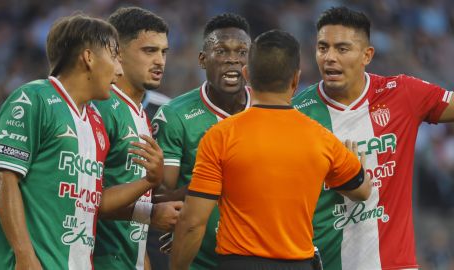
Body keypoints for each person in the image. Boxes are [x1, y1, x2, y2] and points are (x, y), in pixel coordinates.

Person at [170, 29, 372, 270]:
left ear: (246, 75)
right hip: (298, 264)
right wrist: (355, 164)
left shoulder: (220, 136)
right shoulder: (322, 139)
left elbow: (192, 223)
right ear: (296, 80)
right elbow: (361, 191)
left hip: (239, 264)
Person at [0, 14, 164, 269]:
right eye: (114, 56)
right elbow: (4, 178)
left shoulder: (94, 120)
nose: (119, 69)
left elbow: (96, 201)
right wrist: (24, 254)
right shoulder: (31, 99)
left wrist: (147, 182)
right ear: (89, 57)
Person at [292, 6, 454, 270]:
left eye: (342, 49)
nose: (330, 57)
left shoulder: (402, 94)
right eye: (323, 48)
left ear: (367, 55)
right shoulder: (296, 114)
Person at [151, 13, 252, 269]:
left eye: (242, 52)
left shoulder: (270, 108)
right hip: (200, 261)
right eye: (221, 51)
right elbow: (161, 199)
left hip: (261, 255)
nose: (232, 59)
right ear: (202, 60)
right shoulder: (175, 115)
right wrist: (217, 181)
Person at [92, 7, 182, 270]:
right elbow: (81, 198)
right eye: (149, 51)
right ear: (117, 52)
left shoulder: (140, 113)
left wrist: (141, 260)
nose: (160, 61)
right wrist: (150, 214)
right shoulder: (100, 108)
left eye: (164, 52)